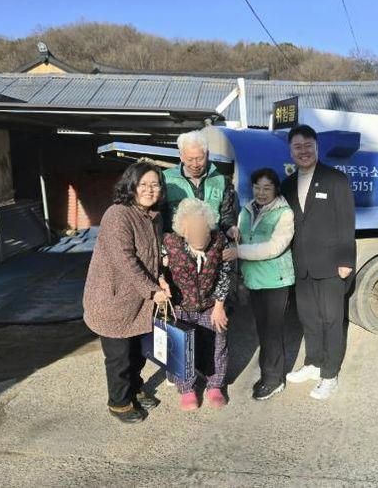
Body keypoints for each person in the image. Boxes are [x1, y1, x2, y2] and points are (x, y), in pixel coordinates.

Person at [83, 162, 171, 424]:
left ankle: (134, 388)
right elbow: (125, 260)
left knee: (137, 352)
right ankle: (119, 402)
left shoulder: (154, 217)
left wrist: (161, 279)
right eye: (143, 184)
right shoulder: (118, 215)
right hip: (113, 299)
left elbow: (153, 257)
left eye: (155, 184)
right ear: (131, 186)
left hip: (139, 300)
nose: (149, 189)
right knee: (119, 357)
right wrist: (153, 290)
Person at [280, 124, 356, 400]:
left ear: (316, 147)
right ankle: (313, 363)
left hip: (331, 264)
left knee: (332, 320)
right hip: (301, 264)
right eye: (297, 147)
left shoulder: (335, 179)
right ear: (291, 151)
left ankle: (330, 374)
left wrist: (346, 260)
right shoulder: (287, 184)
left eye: (308, 146)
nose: (303, 151)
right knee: (309, 318)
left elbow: (346, 221)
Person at [162, 198, 232, 411]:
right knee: (181, 347)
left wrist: (219, 306)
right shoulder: (169, 243)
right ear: (183, 231)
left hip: (210, 303)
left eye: (203, 230)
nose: (199, 235)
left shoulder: (219, 241)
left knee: (218, 342)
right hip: (181, 305)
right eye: (193, 231)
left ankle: (215, 385)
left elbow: (225, 274)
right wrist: (161, 279)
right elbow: (155, 267)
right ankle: (187, 389)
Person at [232, 168, 295, 401]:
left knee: (272, 332)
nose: (261, 192)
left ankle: (274, 379)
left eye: (267, 188)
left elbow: (274, 248)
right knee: (262, 330)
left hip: (275, 281)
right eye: (257, 187)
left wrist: (237, 252)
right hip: (254, 280)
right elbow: (240, 235)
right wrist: (234, 232)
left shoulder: (284, 213)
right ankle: (268, 373)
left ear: (276, 189)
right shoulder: (247, 209)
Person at [163, 129, 240, 247]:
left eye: (199, 159)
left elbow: (227, 215)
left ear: (207, 155)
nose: (195, 165)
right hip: (177, 248)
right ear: (181, 156)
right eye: (190, 159)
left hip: (212, 246)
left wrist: (230, 228)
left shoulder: (221, 181)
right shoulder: (166, 179)